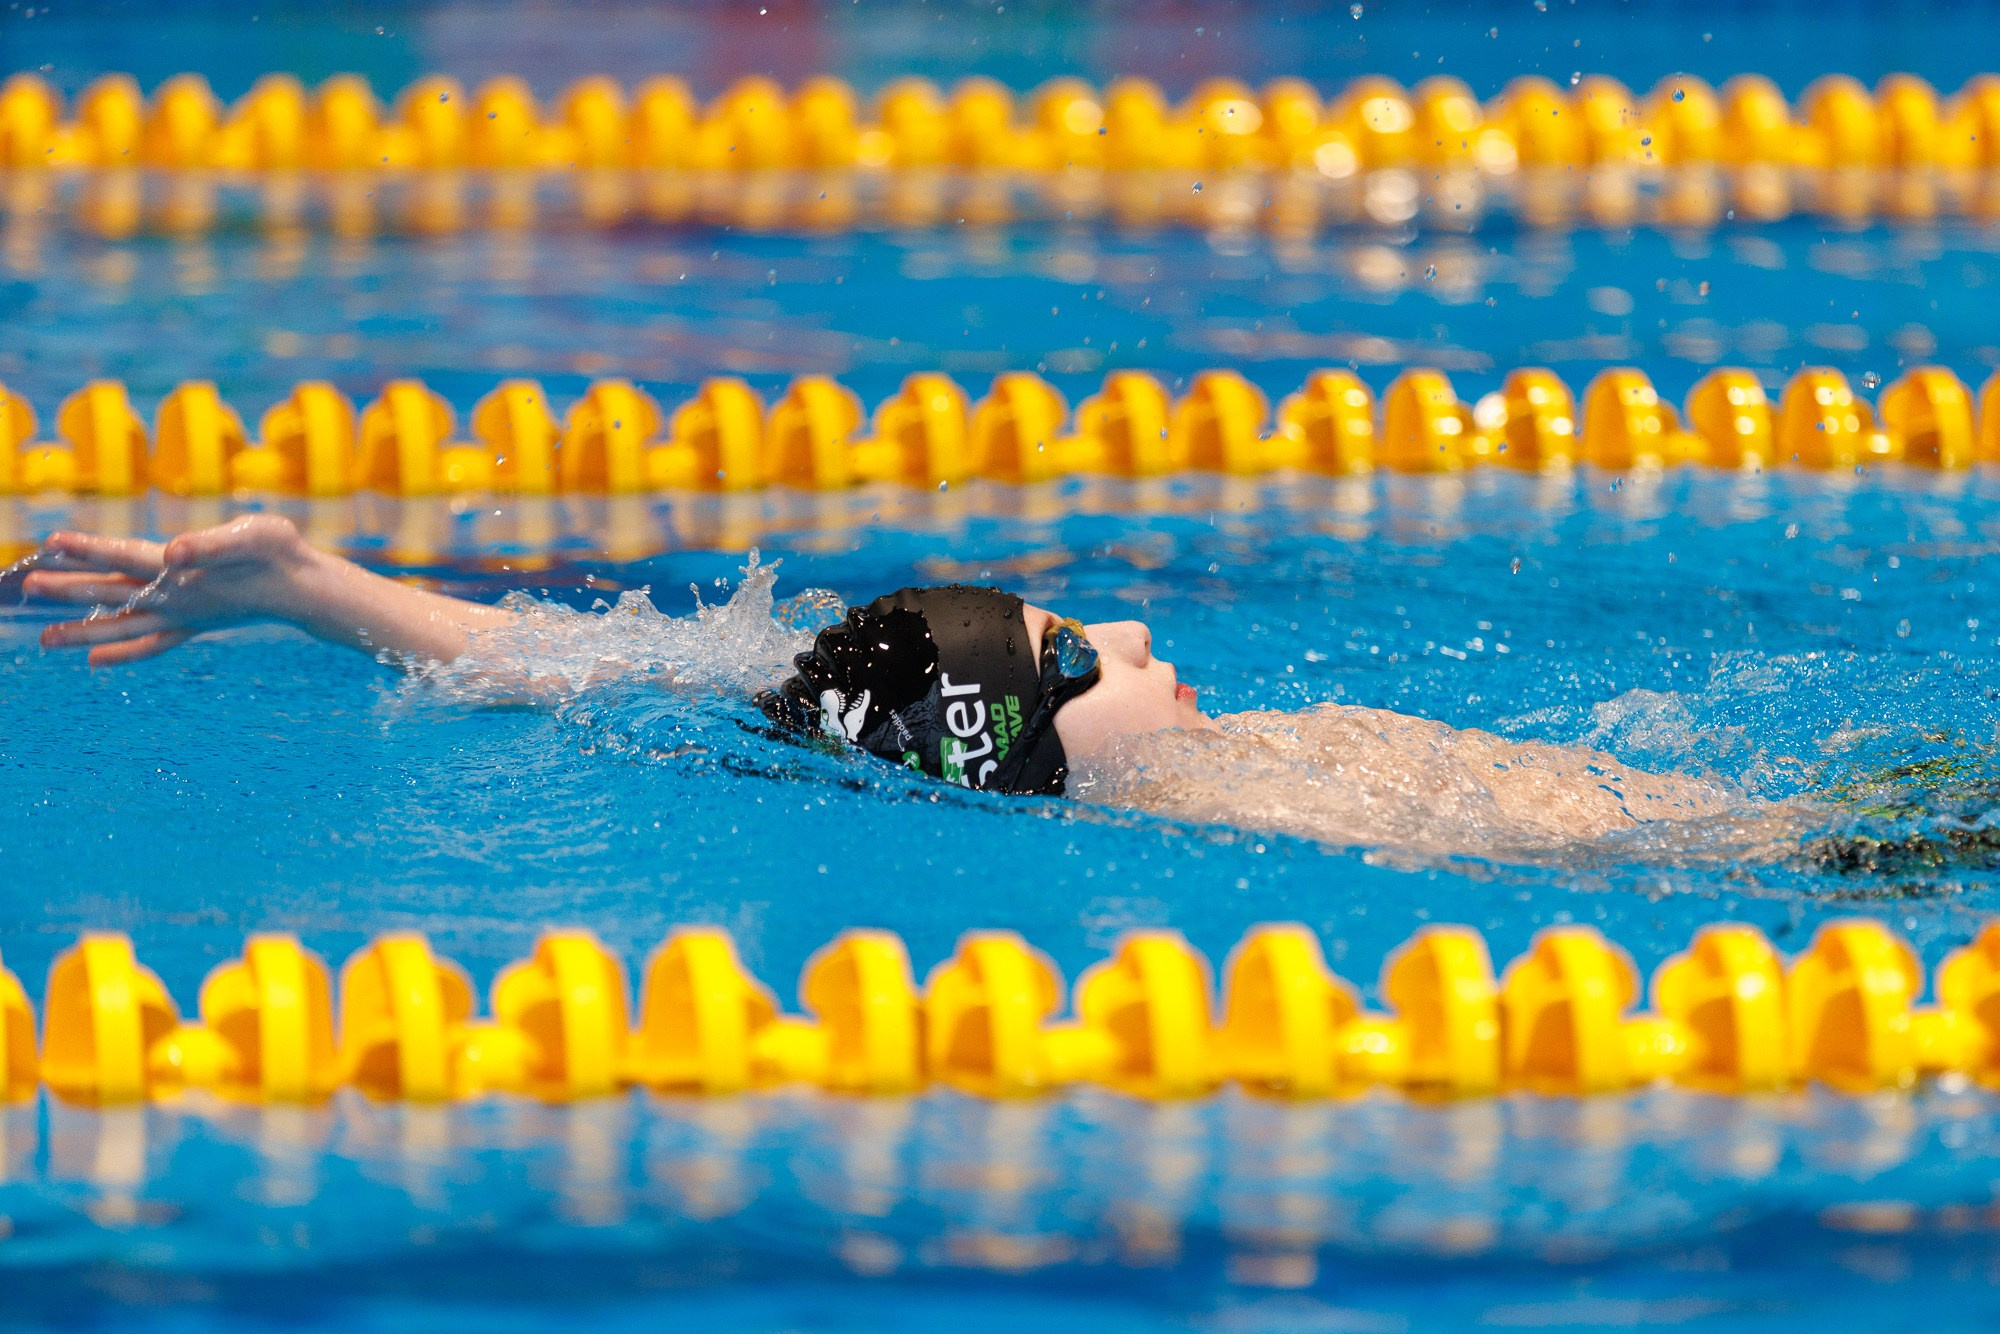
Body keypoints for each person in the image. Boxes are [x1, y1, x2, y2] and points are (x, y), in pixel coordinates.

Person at [9, 514, 1743, 856]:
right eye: (1079, 658)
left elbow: (636, 665)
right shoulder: (1255, 805)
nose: (1133, 636)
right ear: (1017, 752)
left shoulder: (834, 721)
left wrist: (309, 587)